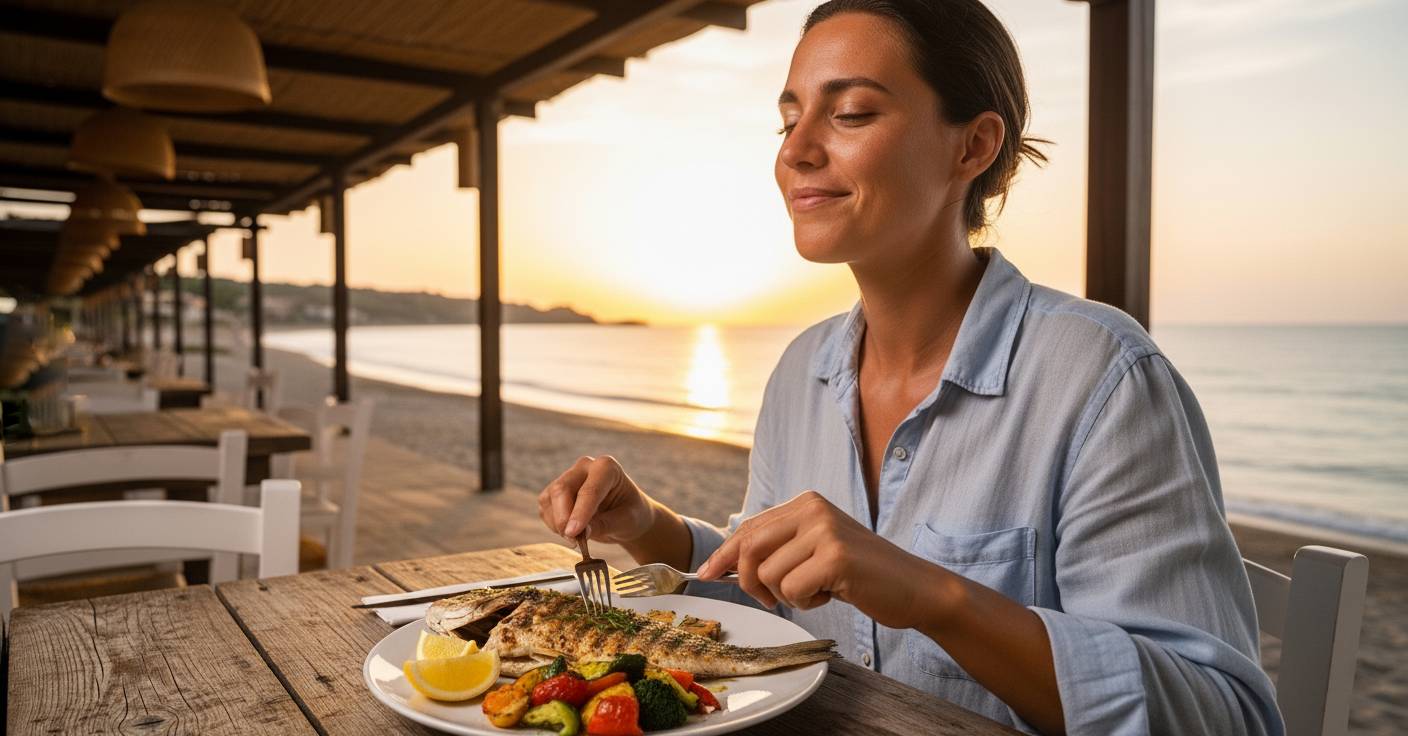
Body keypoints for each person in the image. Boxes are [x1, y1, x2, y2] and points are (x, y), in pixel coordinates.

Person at [537, 1, 1282, 733]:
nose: (795, 150)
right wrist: (649, 527)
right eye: (787, 118)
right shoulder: (802, 373)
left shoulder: (1102, 379)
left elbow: (1224, 715)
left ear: (973, 147)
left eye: (851, 113)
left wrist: (932, 595)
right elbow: (766, 595)